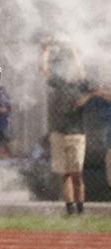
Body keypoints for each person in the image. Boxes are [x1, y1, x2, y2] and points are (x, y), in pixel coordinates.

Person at [44, 41, 91, 215]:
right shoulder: (59, 83)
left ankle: (80, 208)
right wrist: (46, 50)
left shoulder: (80, 85)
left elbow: (81, 72)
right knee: (64, 174)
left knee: (77, 174)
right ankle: (70, 208)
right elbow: (45, 71)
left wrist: (73, 51)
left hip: (76, 134)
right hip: (59, 132)